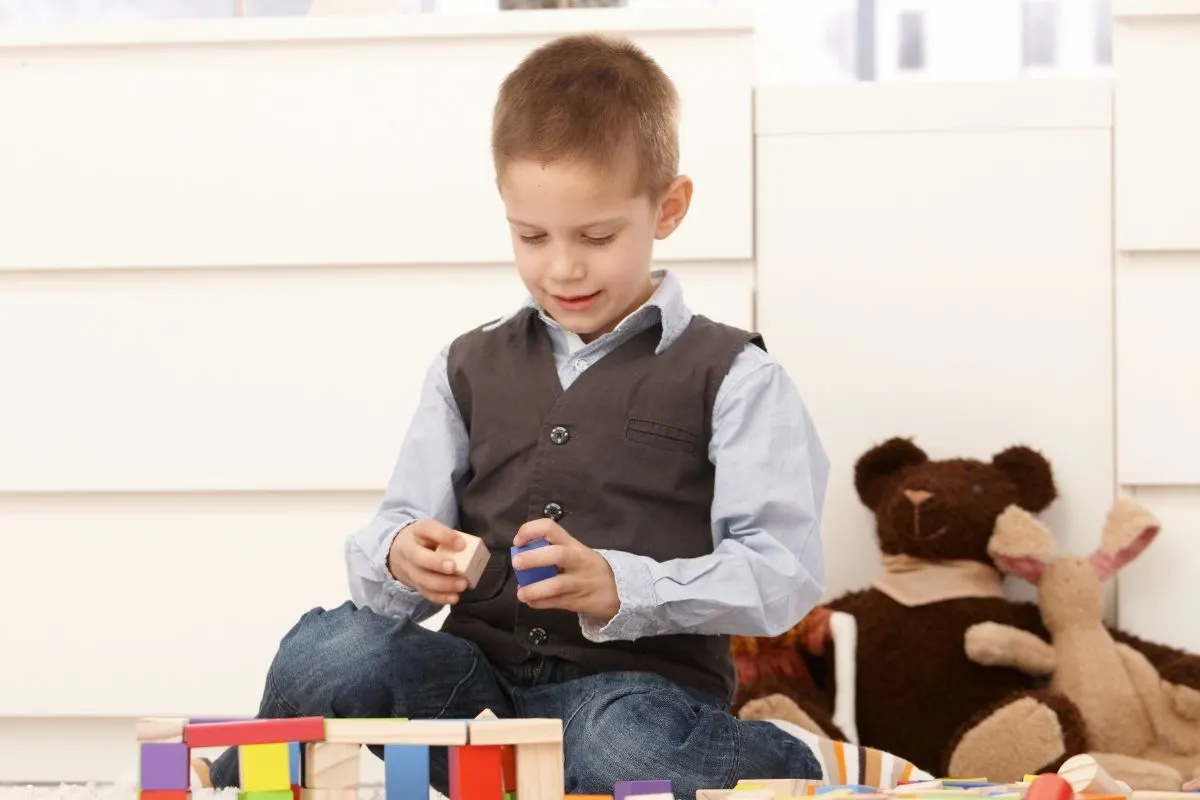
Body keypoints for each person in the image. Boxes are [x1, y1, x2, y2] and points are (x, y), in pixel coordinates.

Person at [202, 33, 831, 799]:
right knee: (333, 650)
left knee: (620, 746)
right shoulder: (466, 365)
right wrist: (403, 553)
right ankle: (229, 787)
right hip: (471, 693)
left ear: (667, 208)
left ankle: (792, 761)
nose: (562, 267)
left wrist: (621, 586)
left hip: (626, 696)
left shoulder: (733, 375)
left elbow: (782, 571)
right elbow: (396, 528)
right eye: (531, 236)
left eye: (596, 237)